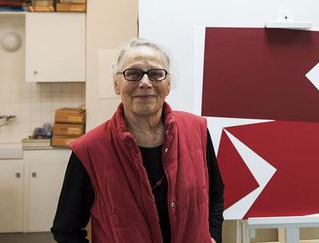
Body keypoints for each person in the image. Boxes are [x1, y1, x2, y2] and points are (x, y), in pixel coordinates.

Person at [51, 38, 224, 243]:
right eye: (132, 74)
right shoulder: (88, 150)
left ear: (168, 85)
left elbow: (215, 195)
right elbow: (66, 231)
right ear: (117, 85)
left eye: (156, 74)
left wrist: (213, 237)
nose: (145, 82)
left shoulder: (197, 131)